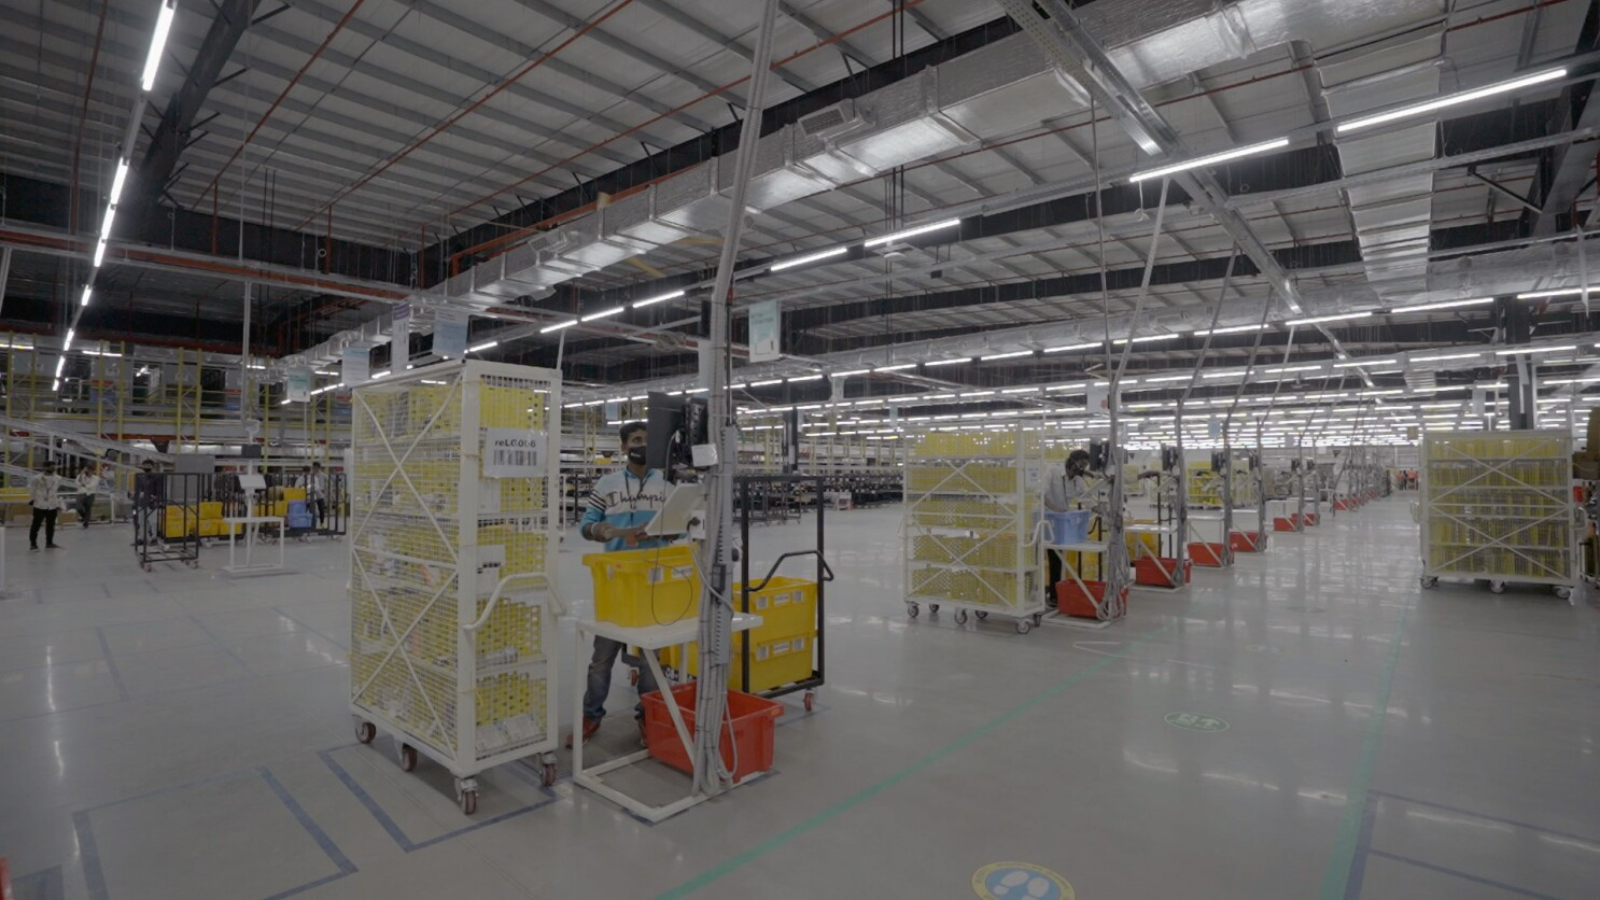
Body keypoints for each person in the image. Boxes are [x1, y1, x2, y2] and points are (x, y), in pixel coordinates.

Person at [574, 422, 672, 746]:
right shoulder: (608, 483)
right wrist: (597, 531)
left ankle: (647, 717)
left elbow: (683, 525)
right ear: (624, 446)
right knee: (602, 656)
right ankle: (591, 715)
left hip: (653, 582)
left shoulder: (667, 482)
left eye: (646, 439)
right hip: (615, 582)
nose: (641, 444)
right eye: (635, 440)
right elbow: (586, 525)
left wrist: (662, 531)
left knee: (650, 659)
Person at [1042, 449, 1097, 600]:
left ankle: (1054, 595)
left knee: (1057, 559)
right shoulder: (1053, 471)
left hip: (1060, 523)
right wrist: (1054, 508)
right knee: (1047, 559)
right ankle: (1047, 594)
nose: (1082, 468)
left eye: (1085, 465)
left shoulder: (1077, 480)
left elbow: (1086, 498)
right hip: (1046, 520)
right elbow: (1041, 493)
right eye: (1081, 464)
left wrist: (1100, 509)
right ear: (1072, 461)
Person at [28, 461, 63, 551]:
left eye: (54, 467)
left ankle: (49, 543)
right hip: (40, 504)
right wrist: (33, 499)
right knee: (36, 525)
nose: (53, 469)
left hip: (52, 504)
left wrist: (57, 503)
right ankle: (33, 544)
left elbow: (55, 491)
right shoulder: (37, 478)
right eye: (51, 467)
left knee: (51, 525)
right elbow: (32, 490)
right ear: (45, 468)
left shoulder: (58, 478)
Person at [134, 460, 164, 548]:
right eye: (144, 465)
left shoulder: (157, 477)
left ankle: (154, 538)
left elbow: (159, 490)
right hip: (141, 503)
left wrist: (157, 498)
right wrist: (135, 500)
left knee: (153, 521)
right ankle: (142, 538)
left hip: (152, 503)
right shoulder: (139, 476)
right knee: (141, 521)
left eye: (148, 465)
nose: (146, 467)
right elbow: (137, 489)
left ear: (152, 466)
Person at [75, 463, 101, 528]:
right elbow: (77, 483)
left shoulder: (96, 478)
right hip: (81, 493)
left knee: (88, 508)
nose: (87, 472)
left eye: (88, 470)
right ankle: (84, 517)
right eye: (85, 470)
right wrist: (81, 475)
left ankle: (86, 522)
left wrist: (84, 485)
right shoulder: (80, 476)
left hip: (90, 494)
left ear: (92, 470)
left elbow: (92, 485)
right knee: (79, 507)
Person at [303, 462, 328, 526]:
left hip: (320, 494)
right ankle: (310, 523)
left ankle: (322, 523)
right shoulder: (311, 475)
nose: (314, 469)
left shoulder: (323, 475)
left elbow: (329, 480)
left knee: (321, 509)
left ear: (319, 468)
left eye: (315, 468)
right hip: (312, 494)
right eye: (313, 468)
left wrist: (326, 490)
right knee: (310, 509)